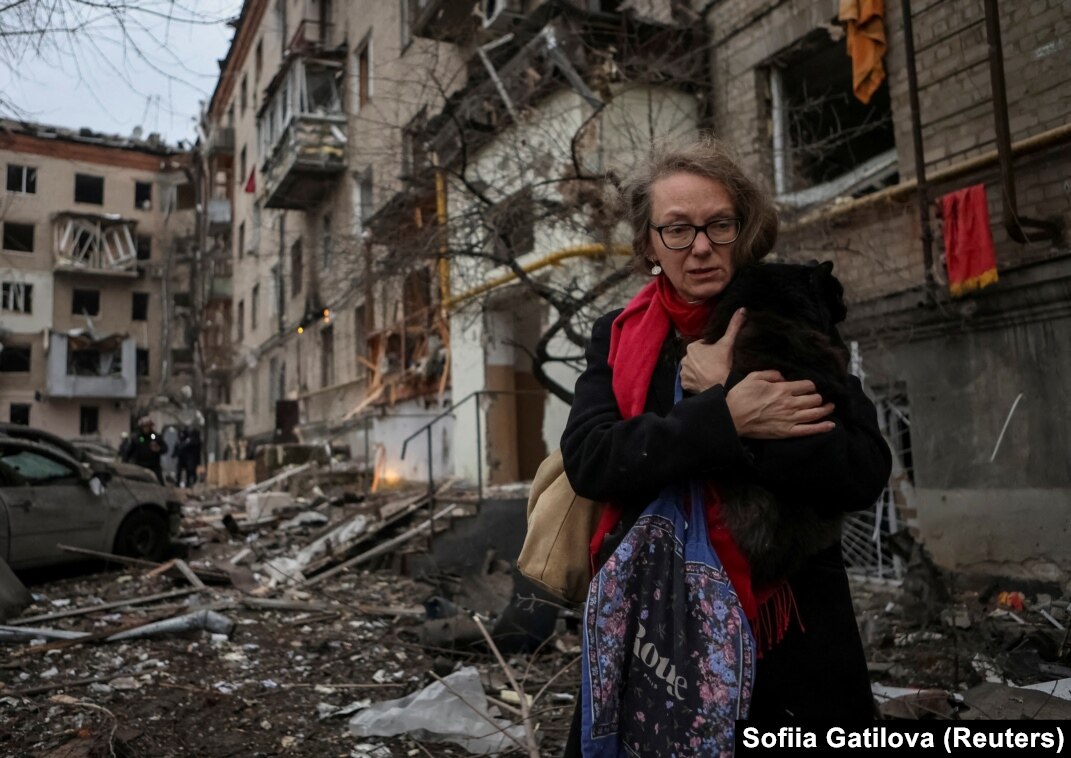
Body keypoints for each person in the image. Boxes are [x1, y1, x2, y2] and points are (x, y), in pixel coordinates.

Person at [560, 137, 892, 752]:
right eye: (677, 229)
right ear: (649, 245)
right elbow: (591, 458)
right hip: (653, 620)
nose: (701, 246)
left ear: (744, 229)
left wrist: (734, 388)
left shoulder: (789, 315)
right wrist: (723, 417)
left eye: (719, 225)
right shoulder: (621, 334)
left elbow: (863, 468)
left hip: (788, 629)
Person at [123, 416, 169, 485]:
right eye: (144, 426)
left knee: (159, 483)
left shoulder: (155, 436)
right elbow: (128, 452)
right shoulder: (136, 437)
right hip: (140, 465)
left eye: (148, 426)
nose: (146, 428)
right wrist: (125, 463)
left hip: (154, 466)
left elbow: (165, 448)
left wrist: (159, 449)